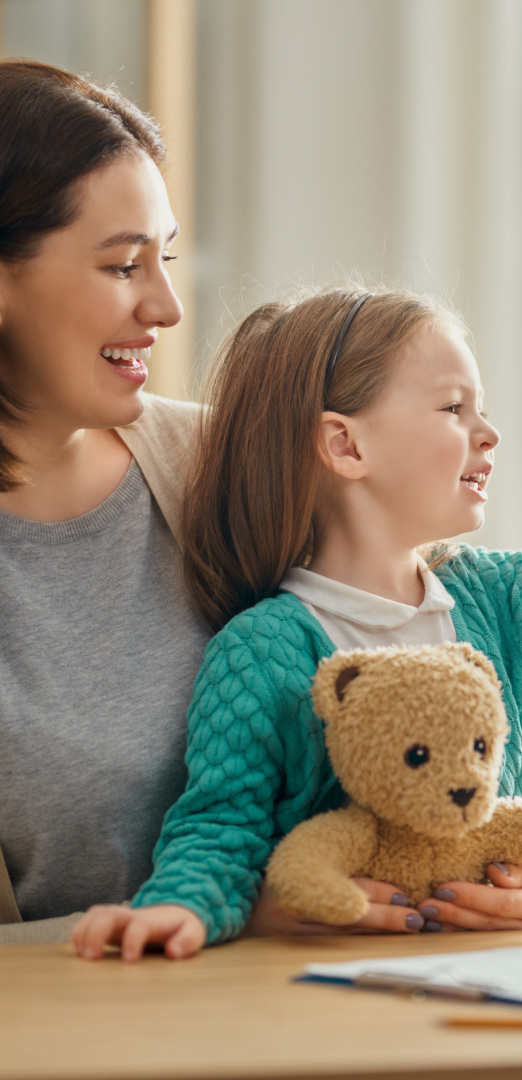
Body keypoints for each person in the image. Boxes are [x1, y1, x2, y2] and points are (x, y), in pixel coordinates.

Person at [72, 274, 522, 960]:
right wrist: (177, 907)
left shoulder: (501, 602)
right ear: (346, 445)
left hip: (495, 989)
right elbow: (223, 825)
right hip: (333, 1004)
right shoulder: (261, 652)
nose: (488, 433)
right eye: (454, 408)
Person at [0, 60, 206, 944]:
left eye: (164, 255)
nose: (166, 304)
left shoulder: (219, 465)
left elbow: (449, 656)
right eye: (125, 264)